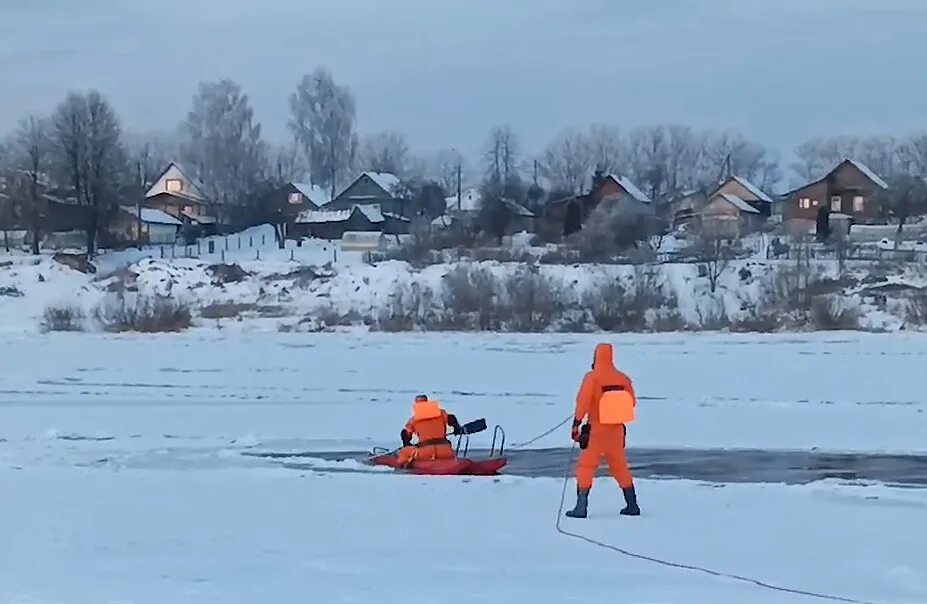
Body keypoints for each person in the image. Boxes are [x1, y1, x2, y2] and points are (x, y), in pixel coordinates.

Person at [565, 342, 640, 518]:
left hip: (597, 432)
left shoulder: (592, 378)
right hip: (617, 432)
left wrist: (576, 423)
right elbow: (632, 403)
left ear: (596, 357)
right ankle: (632, 504)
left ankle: (581, 507)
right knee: (620, 467)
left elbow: (582, 402)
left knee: (586, 466)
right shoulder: (623, 379)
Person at [396, 395, 462, 467]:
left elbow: (405, 434)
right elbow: (452, 418)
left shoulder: (413, 420)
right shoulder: (441, 413)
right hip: (446, 451)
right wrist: (457, 429)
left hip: (425, 453)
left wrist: (407, 445)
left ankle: (403, 465)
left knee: (404, 452)